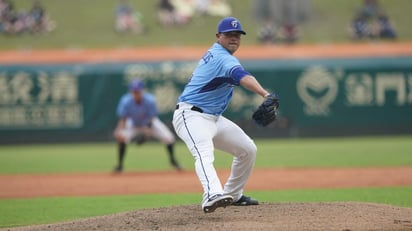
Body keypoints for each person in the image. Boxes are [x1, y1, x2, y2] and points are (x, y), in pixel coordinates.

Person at [172, 17, 276, 213]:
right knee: (203, 152)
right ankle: (211, 195)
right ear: (218, 36)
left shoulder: (221, 55)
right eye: (229, 34)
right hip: (191, 115)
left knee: (247, 149)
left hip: (213, 118)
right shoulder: (222, 57)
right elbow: (242, 76)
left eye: (237, 35)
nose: (234, 38)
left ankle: (234, 194)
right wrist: (265, 94)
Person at [113, 79, 182, 173]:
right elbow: (123, 119)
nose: (136, 93)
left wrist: (146, 136)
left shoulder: (149, 100)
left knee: (169, 138)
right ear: (131, 91)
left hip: (149, 123)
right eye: (134, 91)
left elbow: (152, 119)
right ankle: (120, 166)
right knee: (121, 137)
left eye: (138, 91)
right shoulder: (126, 101)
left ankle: (173, 161)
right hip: (133, 124)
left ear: (142, 90)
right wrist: (119, 130)